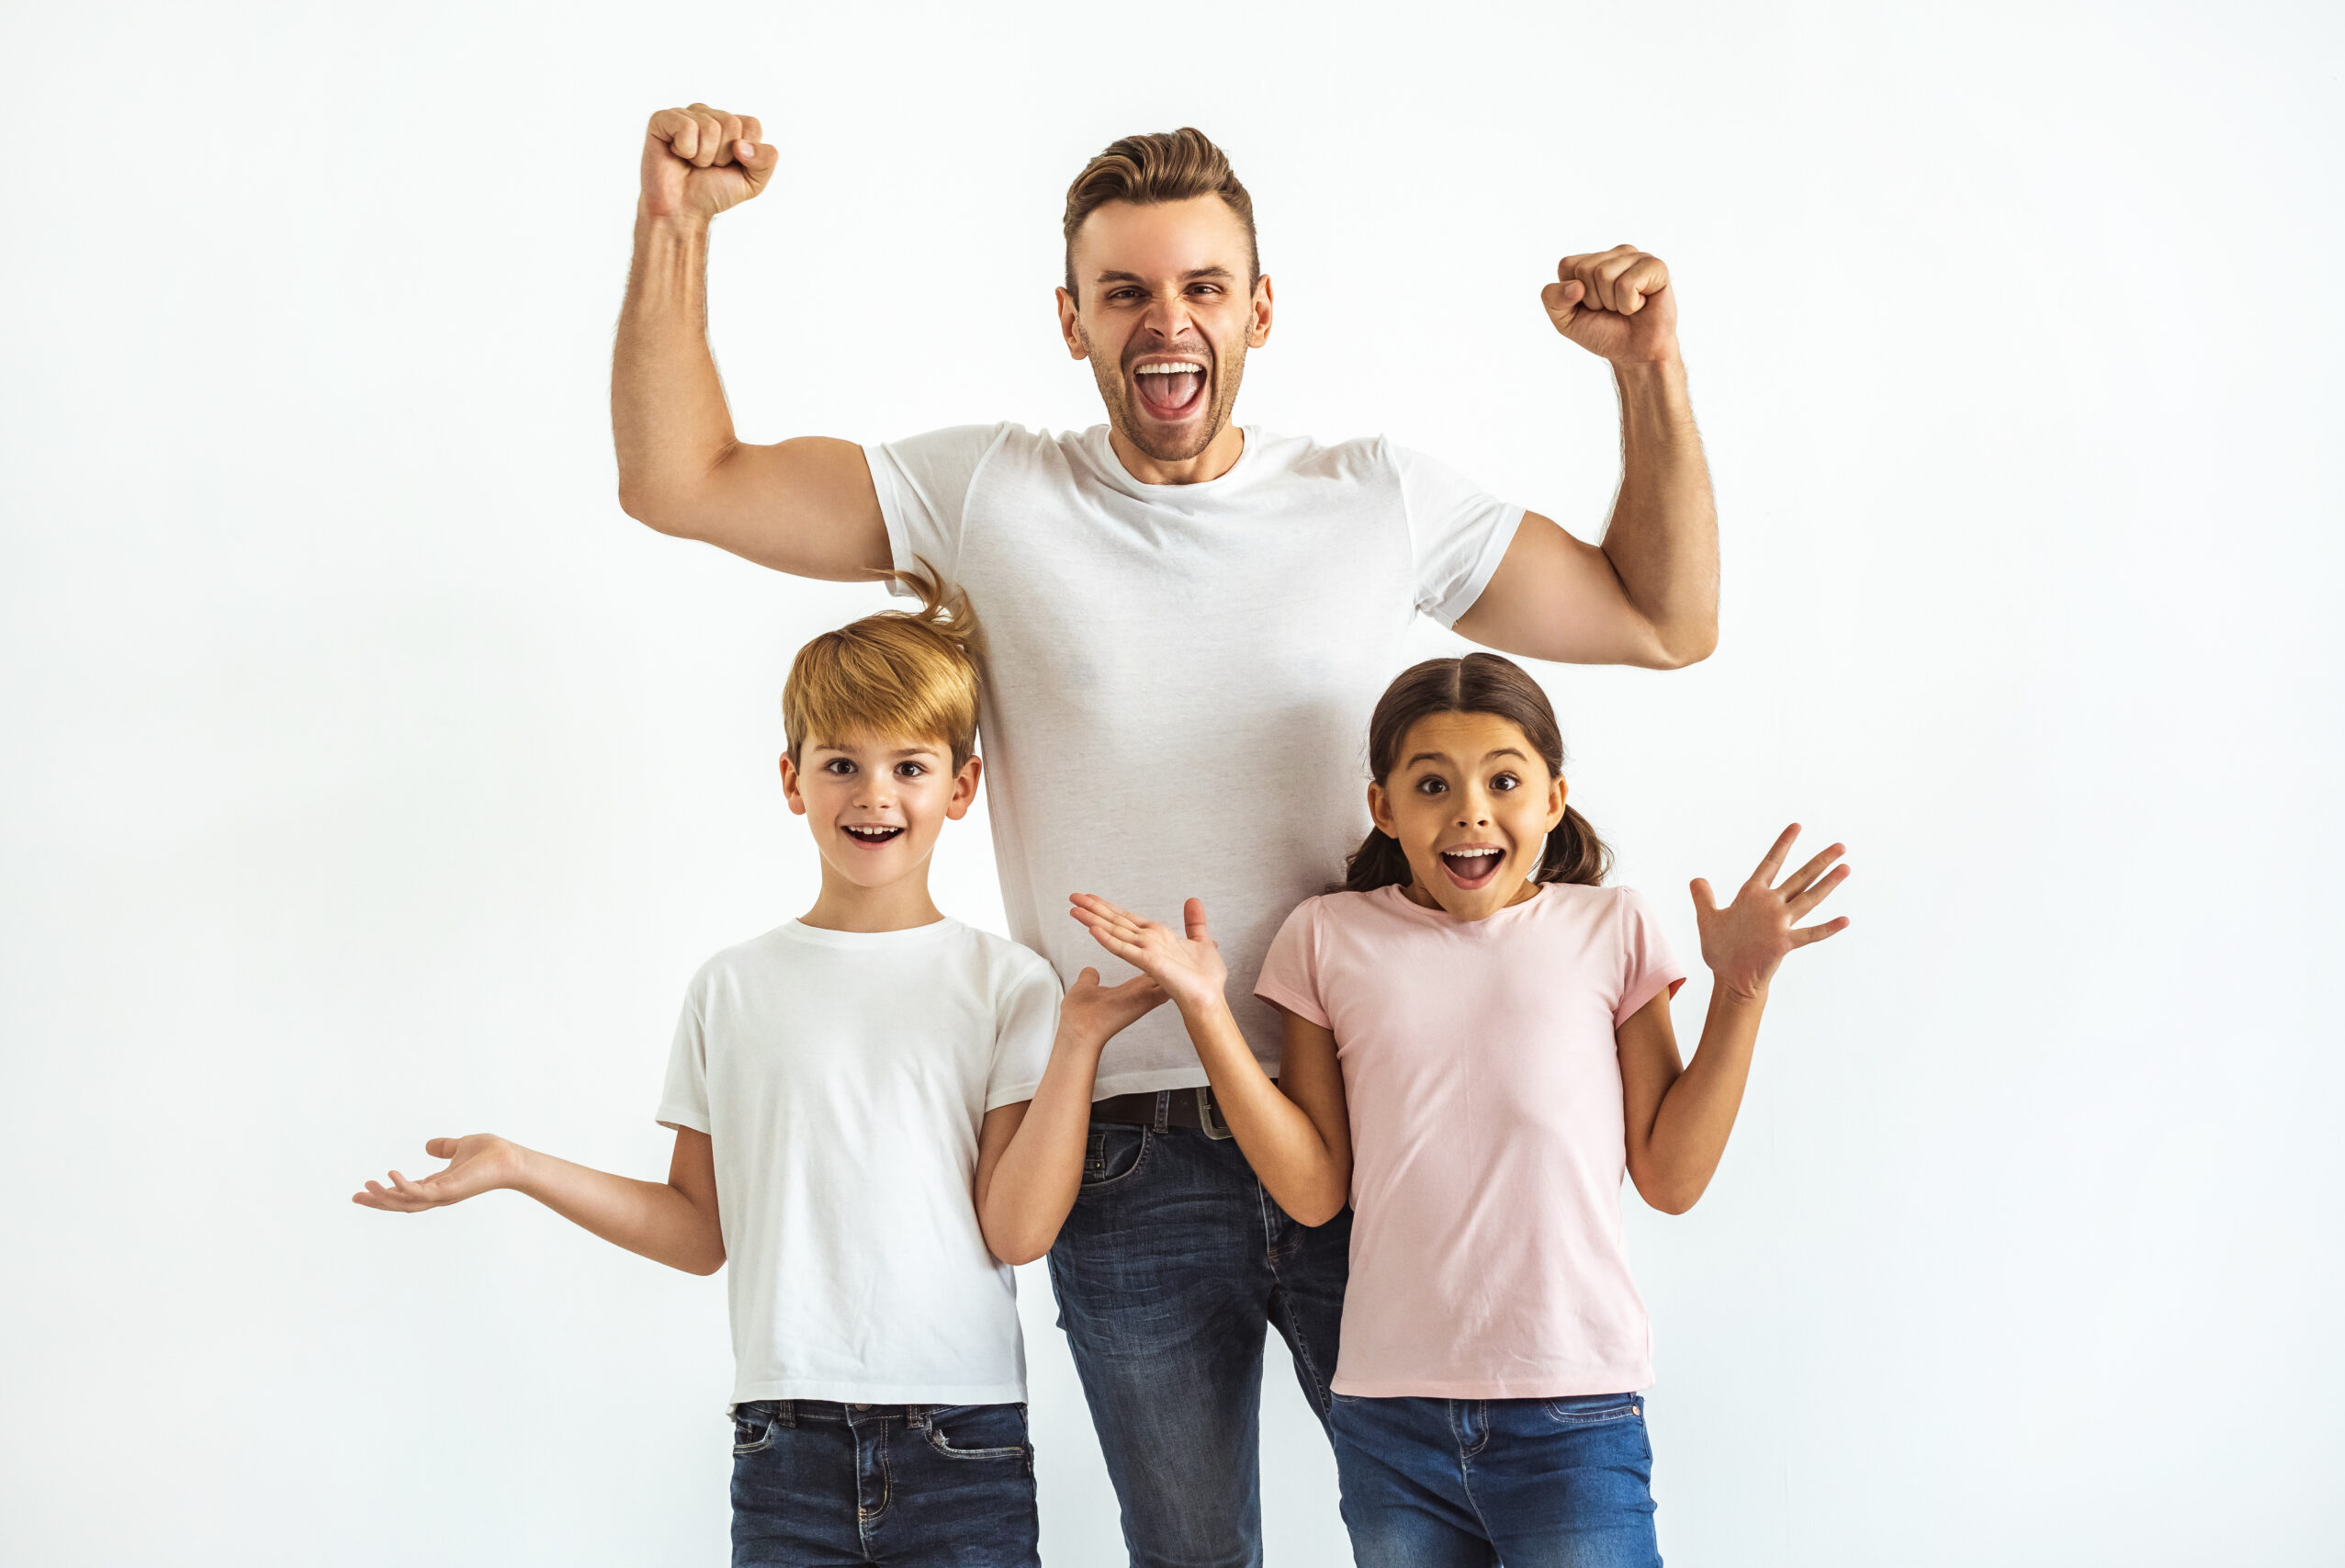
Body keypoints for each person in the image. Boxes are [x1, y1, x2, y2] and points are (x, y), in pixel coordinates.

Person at [613, 107, 1721, 1566]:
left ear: (1258, 309)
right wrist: (675, 226)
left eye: (1202, 285)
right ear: (1071, 321)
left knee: (1467, 1531)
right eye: (1125, 291)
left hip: (1362, 1125)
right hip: (1125, 1148)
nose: (1166, 319)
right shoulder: (988, 491)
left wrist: (1649, 374)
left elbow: (1662, 616)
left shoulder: (1372, 496)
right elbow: (678, 478)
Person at [351, 584, 1167, 1568]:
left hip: (962, 1437)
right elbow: (700, 1234)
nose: (873, 794)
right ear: (792, 780)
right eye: (841, 764)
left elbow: (1018, 1230)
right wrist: (522, 1165)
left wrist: (1077, 1047)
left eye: (909, 766)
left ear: (961, 785)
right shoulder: (730, 988)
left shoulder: (1007, 983)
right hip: (782, 1446)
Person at [1068, 651, 1850, 1566]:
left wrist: (1741, 990)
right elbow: (1315, 1190)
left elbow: (1671, 1177)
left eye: (1503, 780)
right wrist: (1205, 1009)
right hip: (1388, 1421)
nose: (1470, 810)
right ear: (1384, 808)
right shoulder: (1327, 938)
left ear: (1553, 800)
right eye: (1432, 784)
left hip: (1574, 1408)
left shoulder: (1612, 929)